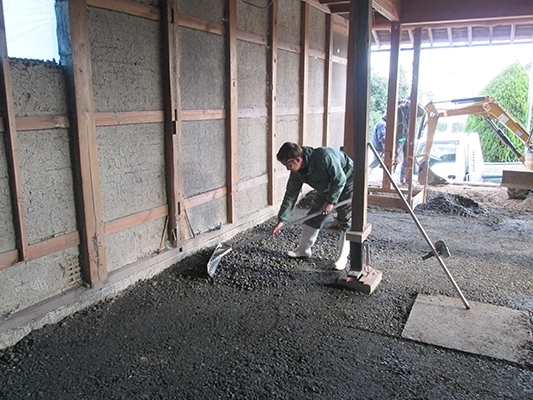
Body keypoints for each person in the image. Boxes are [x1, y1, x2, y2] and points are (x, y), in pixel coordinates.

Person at [271, 142, 353, 270]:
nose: (287, 168)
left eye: (288, 165)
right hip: (326, 185)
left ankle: (342, 258)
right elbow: (290, 195)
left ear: (297, 159)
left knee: (345, 219)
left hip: (348, 180)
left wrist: (330, 202)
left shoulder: (324, 157)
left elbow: (339, 179)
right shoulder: (296, 172)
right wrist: (282, 220)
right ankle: (304, 250)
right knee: (314, 216)